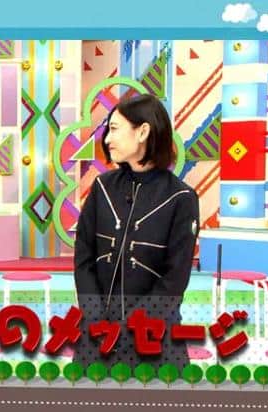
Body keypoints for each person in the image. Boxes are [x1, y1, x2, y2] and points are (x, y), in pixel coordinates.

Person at [73, 94, 200, 370]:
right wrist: (95, 318)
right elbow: (83, 258)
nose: (107, 139)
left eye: (114, 129)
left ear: (142, 132)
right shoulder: (102, 188)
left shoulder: (181, 198)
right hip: (97, 337)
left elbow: (174, 280)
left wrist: (127, 329)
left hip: (154, 341)